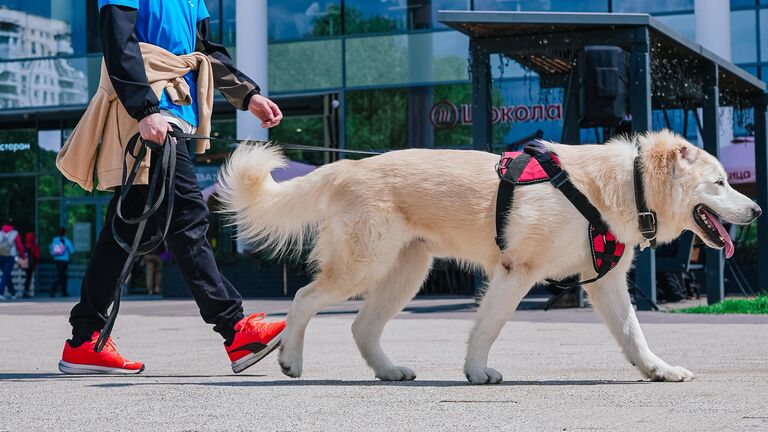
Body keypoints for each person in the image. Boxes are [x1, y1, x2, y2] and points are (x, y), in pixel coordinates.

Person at [58, 0, 285, 375]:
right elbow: (118, 42)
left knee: (126, 230)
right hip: (150, 112)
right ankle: (235, 328)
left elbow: (206, 53)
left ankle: (85, 340)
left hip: (174, 112)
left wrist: (248, 95)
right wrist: (145, 110)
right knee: (187, 218)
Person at [0, 219, 26, 300]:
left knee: (6, 274)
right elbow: (19, 246)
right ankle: (0, 293)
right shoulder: (15, 233)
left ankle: (13, 293)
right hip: (10, 256)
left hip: (0, 256)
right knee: (6, 275)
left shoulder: (0, 232)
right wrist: (23, 255)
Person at [50, 228, 75, 297]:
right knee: (61, 276)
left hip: (57, 260)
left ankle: (64, 292)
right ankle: (52, 291)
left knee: (63, 276)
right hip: (64, 261)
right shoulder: (66, 241)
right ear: (65, 233)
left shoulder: (55, 240)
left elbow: (51, 251)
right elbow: (72, 250)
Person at [22, 233, 41, 298]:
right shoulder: (33, 246)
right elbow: (37, 256)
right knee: (28, 278)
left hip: (24, 264)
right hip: (31, 265)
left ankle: (25, 291)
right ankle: (26, 291)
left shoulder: (24, 246)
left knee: (26, 278)